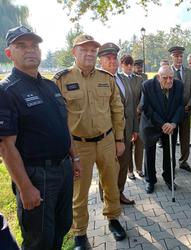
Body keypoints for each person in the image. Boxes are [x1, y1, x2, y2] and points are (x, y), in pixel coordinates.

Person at [0, 25, 80, 250]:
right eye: (21, 46)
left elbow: (63, 126)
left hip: (63, 169)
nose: (30, 50)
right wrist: (25, 187)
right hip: (37, 176)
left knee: (62, 227)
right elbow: (6, 147)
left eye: (34, 45)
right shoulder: (6, 91)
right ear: (9, 53)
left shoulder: (50, 86)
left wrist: (74, 159)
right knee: (39, 239)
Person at [54, 35, 126, 247]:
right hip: (78, 145)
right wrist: (66, 148)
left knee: (111, 184)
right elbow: (58, 118)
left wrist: (119, 139)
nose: (89, 54)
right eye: (84, 50)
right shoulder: (62, 80)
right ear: (73, 52)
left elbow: (117, 109)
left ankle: (113, 219)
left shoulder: (106, 78)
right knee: (80, 191)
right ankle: (80, 233)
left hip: (106, 141)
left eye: (93, 50)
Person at [98, 49, 137, 205]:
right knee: (108, 167)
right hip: (108, 133)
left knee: (123, 163)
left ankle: (119, 192)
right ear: (100, 60)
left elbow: (131, 105)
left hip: (126, 131)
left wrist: (134, 128)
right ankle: (107, 198)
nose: (113, 61)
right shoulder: (97, 80)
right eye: (108, 58)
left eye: (115, 58)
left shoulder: (122, 78)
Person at [140, 66, 184, 194]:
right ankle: (150, 180)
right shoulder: (147, 86)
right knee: (149, 152)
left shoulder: (179, 86)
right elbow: (146, 108)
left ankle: (169, 178)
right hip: (151, 124)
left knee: (170, 152)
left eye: (171, 77)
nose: (169, 81)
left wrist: (174, 123)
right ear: (159, 77)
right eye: (165, 78)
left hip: (171, 124)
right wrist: (162, 124)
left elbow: (181, 106)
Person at [169, 46, 191, 173]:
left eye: (181, 56)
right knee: (172, 139)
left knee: (185, 138)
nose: (179, 59)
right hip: (172, 113)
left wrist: (189, 105)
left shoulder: (189, 72)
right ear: (172, 57)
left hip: (186, 111)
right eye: (176, 56)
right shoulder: (168, 72)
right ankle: (171, 162)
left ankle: (183, 161)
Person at [125, 58, 145, 180]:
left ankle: (139, 168)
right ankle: (129, 170)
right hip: (126, 118)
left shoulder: (139, 79)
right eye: (126, 64)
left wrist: (139, 108)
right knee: (128, 145)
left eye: (130, 64)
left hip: (138, 116)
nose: (129, 67)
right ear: (122, 66)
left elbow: (144, 96)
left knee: (139, 144)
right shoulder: (120, 80)